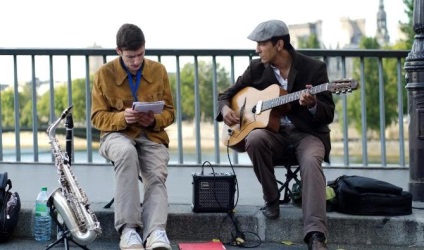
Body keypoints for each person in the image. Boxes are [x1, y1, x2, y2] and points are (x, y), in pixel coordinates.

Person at [216, 20, 335, 250]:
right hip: (274, 134)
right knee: (254, 139)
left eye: (261, 44)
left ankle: (316, 235)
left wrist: (312, 105)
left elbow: (327, 113)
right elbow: (226, 94)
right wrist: (225, 109)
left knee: (311, 161)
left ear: (279, 44)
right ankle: (271, 199)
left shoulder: (314, 68)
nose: (257, 49)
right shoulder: (256, 68)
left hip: (307, 133)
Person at [91, 23, 175, 250]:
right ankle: (128, 230)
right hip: (116, 135)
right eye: (130, 57)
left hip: (151, 135)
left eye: (140, 55)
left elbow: (170, 113)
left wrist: (155, 120)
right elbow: (97, 118)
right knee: (127, 153)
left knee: (157, 170)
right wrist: (122, 118)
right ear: (118, 51)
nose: (136, 61)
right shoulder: (103, 74)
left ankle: (156, 231)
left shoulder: (158, 71)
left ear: (144, 48)